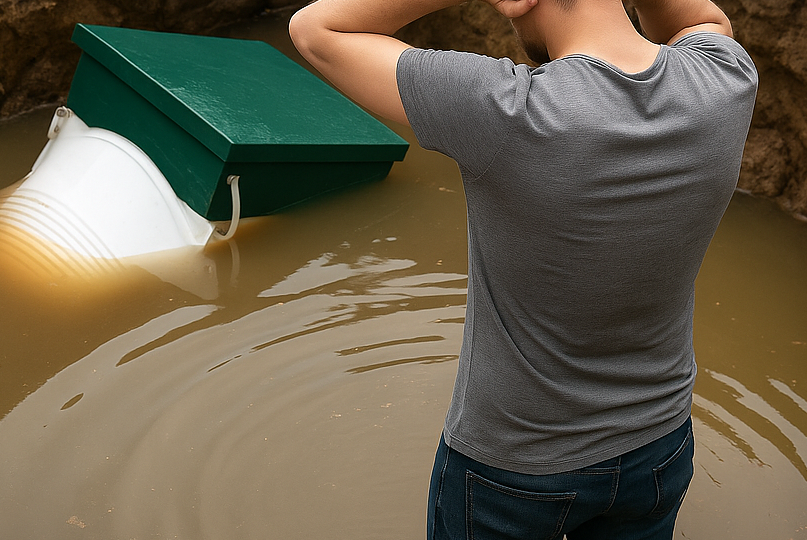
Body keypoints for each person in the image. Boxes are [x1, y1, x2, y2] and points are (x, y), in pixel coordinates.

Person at [289, 0, 757, 537]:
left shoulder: (506, 110)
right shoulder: (725, 78)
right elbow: (701, 22)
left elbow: (315, 29)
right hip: (659, 446)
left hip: (511, 469)